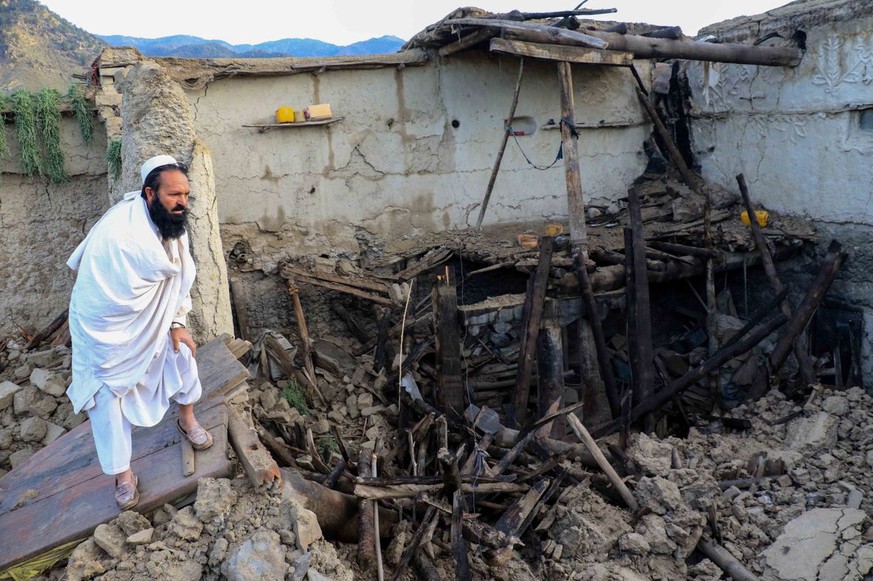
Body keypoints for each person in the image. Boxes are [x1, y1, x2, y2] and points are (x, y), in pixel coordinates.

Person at [66, 154, 213, 510]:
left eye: (187, 195)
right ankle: (123, 476)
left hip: (152, 322)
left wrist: (176, 322)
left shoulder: (171, 225)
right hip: (105, 332)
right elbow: (99, 298)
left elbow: (179, 278)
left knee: (182, 355)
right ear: (149, 193)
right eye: (174, 195)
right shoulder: (120, 234)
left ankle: (187, 420)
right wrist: (139, 328)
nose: (183, 203)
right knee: (106, 397)